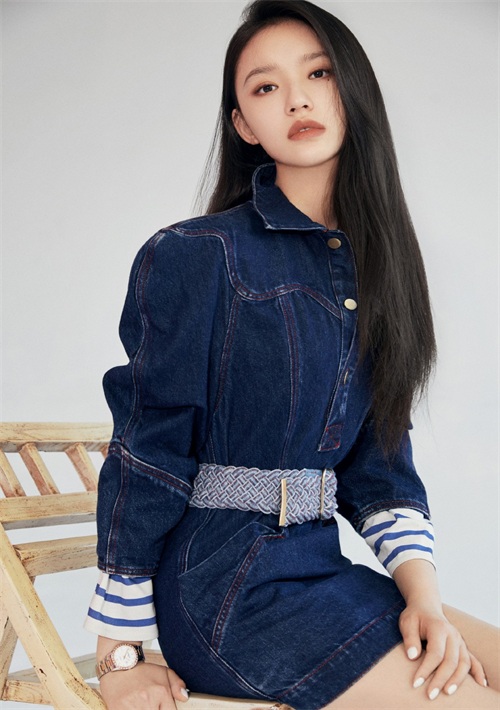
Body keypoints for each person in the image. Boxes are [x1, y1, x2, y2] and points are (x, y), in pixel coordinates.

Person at [84, 1, 500, 708]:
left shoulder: (374, 271)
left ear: (354, 90)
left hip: (319, 568)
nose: (297, 99)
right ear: (245, 124)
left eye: (318, 73)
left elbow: (379, 464)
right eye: (265, 86)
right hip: (225, 592)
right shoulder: (196, 253)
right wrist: (118, 653)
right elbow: (149, 448)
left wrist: (424, 600)